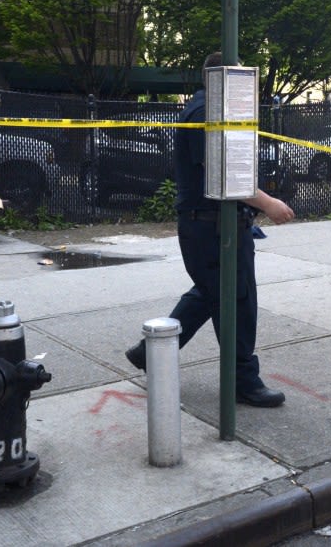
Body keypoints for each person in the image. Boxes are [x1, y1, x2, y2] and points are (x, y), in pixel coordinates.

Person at [125, 52, 295, 407]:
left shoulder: (209, 110)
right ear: (219, 79)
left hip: (211, 227)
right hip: (213, 229)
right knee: (237, 302)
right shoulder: (205, 114)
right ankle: (243, 381)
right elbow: (227, 177)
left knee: (209, 294)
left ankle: (149, 353)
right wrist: (270, 204)